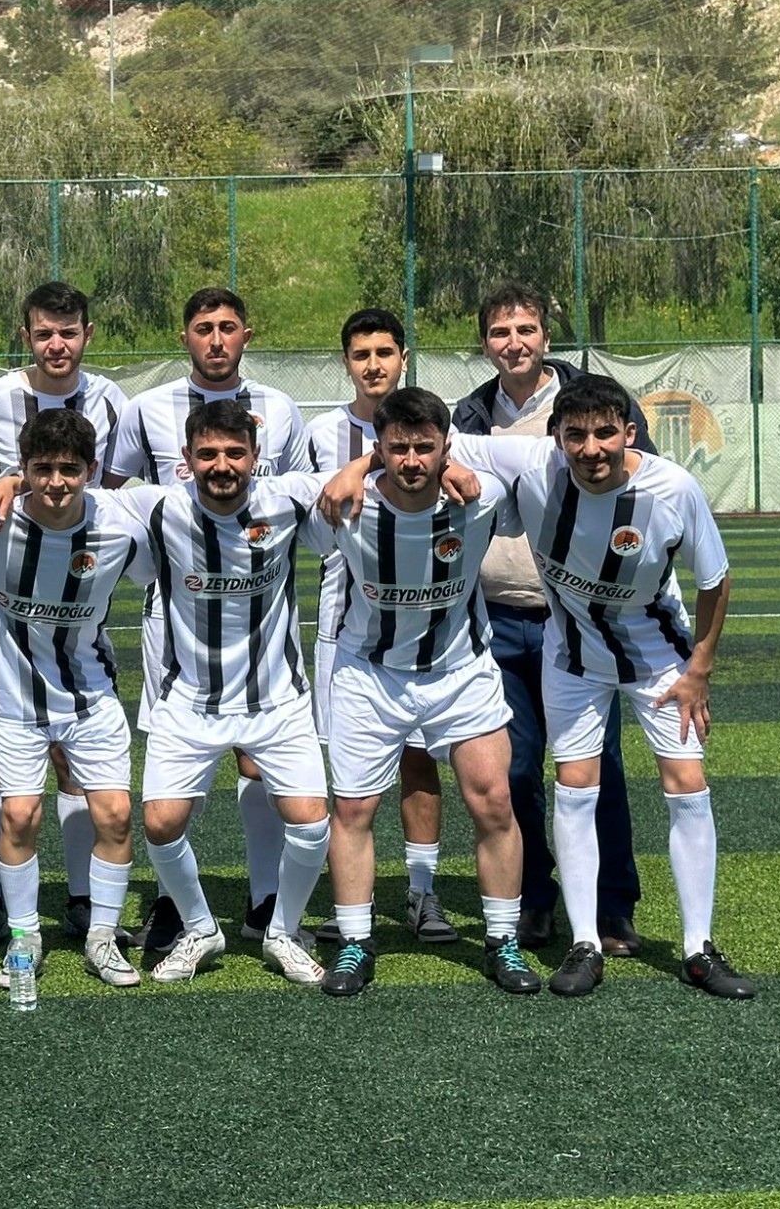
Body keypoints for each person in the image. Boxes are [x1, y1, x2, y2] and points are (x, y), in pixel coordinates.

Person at [452, 376, 752, 999]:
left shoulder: (672, 489)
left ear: (629, 433)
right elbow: (432, 438)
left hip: (659, 660)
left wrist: (699, 670)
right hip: (573, 657)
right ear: (556, 437)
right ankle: (585, 942)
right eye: (576, 435)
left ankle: (698, 949)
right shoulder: (532, 464)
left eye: (605, 433)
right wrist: (362, 468)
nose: (591, 448)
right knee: (575, 785)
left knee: (686, 783)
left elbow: (715, 579)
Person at [313, 387, 541, 998]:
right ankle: (356, 943)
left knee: (494, 804)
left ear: (445, 447)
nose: (411, 460)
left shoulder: (482, 497)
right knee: (354, 812)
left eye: (424, 447)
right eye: (398, 448)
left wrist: (457, 466)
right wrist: (355, 468)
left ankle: (503, 941)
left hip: (460, 673)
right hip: (369, 675)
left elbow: (539, 471)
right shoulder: (344, 504)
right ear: (379, 448)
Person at [107, 287, 311, 953]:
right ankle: (173, 904)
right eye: (203, 328)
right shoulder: (145, 409)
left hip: (259, 620)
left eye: (227, 327)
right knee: (176, 782)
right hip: (176, 620)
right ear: (185, 337)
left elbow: (307, 494)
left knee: (260, 764)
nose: (216, 339)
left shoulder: (280, 408)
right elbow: (110, 494)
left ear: (247, 334)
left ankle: (265, 898)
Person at [451, 283, 644, 953]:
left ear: (546, 337)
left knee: (596, 765)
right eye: (500, 332)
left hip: (581, 620)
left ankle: (613, 906)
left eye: (526, 329)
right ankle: (534, 897)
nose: (515, 343)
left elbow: (639, 488)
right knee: (514, 770)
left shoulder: (592, 403)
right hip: (497, 620)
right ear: (485, 343)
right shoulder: (470, 416)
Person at [125, 401, 333, 987]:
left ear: (255, 456)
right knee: (161, 824)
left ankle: (283, 931)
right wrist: (11, 481)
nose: (222, 465)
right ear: (186, 459)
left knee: (311, 822)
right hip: (188, 700)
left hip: (276, 698)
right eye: (209, 454)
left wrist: (369, 468)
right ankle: (200, 928)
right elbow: (77, 498)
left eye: (235, 453)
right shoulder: (158, 506)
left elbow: (363, 476)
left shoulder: (287, 498)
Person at [0, 409, 153, 990]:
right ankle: (24, 938)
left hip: (91, 697)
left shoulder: (122, 524)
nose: (57, 482)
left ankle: (102, 937)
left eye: (70, 469)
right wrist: (7, 484)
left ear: (92, 469)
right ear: (24, 468)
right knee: (19, 815)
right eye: (41, 469)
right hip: (13, 704)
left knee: (115, 815)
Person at [0, 281, 127, 944]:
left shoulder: (111, 401)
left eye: (69, 332)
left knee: (73, 764)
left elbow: (118, 484)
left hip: (76, 592)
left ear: (88, 334)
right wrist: (8, 482)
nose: (57, 344)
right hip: (4, 585)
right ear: (25, 336)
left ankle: (83, 897)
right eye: (44, 333)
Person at [305, 309, 454, 945]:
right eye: (361, 354)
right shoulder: (320, 432)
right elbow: (305, 505)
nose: (373, 365)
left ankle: (422, 891)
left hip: (425, 626)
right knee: (349, 779)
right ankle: (353, 904)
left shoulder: (432, 423)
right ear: (346, 362)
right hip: (346, 624)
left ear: (403, 357)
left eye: (385, 352)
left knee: (420, 760)